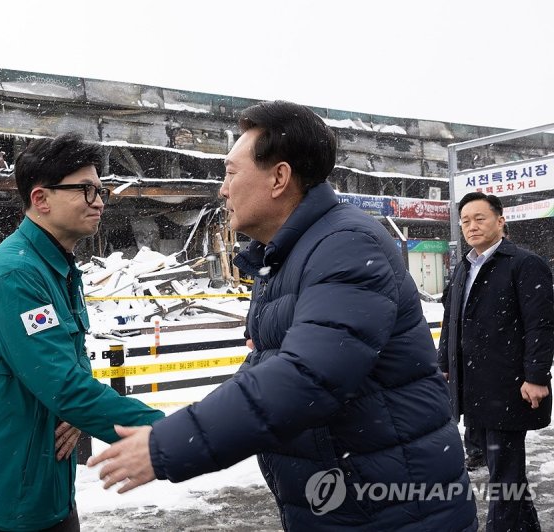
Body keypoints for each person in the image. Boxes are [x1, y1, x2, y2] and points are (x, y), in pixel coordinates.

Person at [88, 101, 477, 530]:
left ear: (279, 178)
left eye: (231, 173)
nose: (222, 189)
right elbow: (272, 368)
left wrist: (170, 444)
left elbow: (307, 377)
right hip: (345, 499)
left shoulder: (345, 244)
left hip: (390, 509)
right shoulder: (287, 255)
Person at [0, 132, 164, 531]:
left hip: (43, 487)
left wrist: (72, 410)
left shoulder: (54, 267)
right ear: (41, 199)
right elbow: (62, 383)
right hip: (0, 500)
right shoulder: (16, 276)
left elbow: (61, 373)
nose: (98, 201)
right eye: (85, 190)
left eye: (100, 189)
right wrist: (168, 433)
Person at [438, 191, 553, 531]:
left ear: (500, 221)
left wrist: (536, 375)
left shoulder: (523, 263)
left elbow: (541, 324)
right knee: (505, 469)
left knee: (503, 473)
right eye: (465, 221)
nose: (471, 227)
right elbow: (451, 321)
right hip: (473, 386)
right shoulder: (464, 268)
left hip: (507, 387)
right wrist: (443, 364)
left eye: (479, 219)